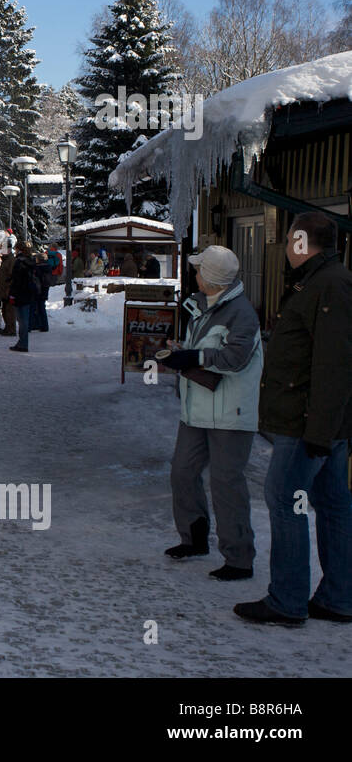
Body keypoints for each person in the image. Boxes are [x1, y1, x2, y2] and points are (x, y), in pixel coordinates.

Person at [235, 212, 352, 626]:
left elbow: (333, 366)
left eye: (288, 239)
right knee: (333, 505)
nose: (285, 246)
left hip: (307, 425)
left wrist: (318, 431)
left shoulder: (329, 285)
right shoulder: (319, 281)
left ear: (302, 241)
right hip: (320, 423)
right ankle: (338, 597)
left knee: (287, 502)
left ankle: (287, 600)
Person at [156, 245, 262, 581]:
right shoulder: (203, 306)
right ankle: (194, 538)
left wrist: (194, 358)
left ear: (213, 278)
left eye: (199, 270)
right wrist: (183, 353)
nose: (195, 275)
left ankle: (239, 558)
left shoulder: (242, 313)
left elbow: (235, 359)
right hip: (197, 409)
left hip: (231, 413)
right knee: (183, 473)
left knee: (226, 483)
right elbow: (205, 354)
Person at [7, 242, 45, 352]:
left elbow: (17, 280)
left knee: (22, 320)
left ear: (19, 249)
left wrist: (12, 293)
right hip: (29, 293)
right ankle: (22, 342)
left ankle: (23, 343)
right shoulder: (32, 260)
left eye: (16, 249)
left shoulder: (19, 262)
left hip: (20, 293)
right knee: (25, 319)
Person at [0, 248, 17, 337]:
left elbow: (12, 276)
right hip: (3, 290)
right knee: (4, 310)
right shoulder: (6, 260)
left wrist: (8, 289)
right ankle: (8, 327)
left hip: (8, 290)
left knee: (10, 311)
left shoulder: (11, 260)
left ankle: (11, 329)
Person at [31, 246, 50, 332]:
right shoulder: (48, 267)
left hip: (38, 290)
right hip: (45, 289)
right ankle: (43, 325)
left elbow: (36, 279)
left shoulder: (38, 268)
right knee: (42, 308)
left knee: (38, 308)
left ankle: (39, 325)